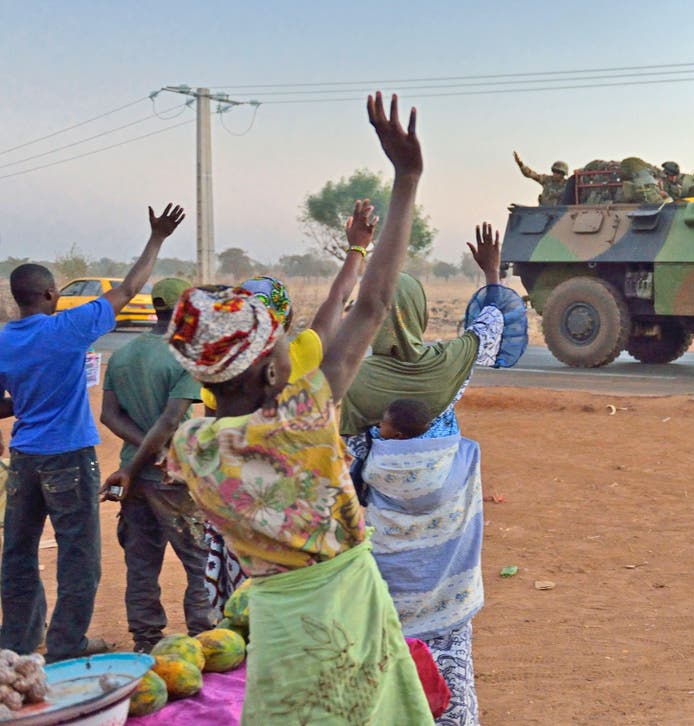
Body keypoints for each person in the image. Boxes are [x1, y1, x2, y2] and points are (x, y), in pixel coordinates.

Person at [165, 92, 434, 724]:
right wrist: (408, 178)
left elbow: (352, 311)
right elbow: (370, 307)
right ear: (265, 367)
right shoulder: (304, 417)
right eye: (279, 341)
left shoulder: (192, 447)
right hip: (348, 607)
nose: (294, 344)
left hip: (278, 618)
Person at [340, 223, 528, 725]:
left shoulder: (351, 384)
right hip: (448, 559)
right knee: (451, 662)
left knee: (377, 659)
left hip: (384, 559)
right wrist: (491, 270)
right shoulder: (448, 366)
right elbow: (491, 325)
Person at [0, 204, 185, 661]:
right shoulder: (68, 328)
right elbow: (129, 288)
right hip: (68, 457)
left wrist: (25, 402)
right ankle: (68, 644)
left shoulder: (4, 340)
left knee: (18, 552)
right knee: (78, 556)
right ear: (49, 293)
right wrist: (157, 239)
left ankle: (19, 641)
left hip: (24, 457)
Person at [196, 200, 379, 611]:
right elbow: (342, 298)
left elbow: (212, 439)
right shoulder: (302, 354)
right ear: (287, 321)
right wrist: (358, 248)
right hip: (295, 518)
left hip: (239, 515)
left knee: (242, 620)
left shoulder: (219, 375)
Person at [98, 277, 213, 653]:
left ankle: (146, 640)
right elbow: (168, 422)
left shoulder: (123, 355)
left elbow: (109, 415)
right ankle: (204, 635)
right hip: (171, 476)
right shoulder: (184, 355)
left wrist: (134, 459)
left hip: (133, 475)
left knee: (142, 562)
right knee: (199, 559)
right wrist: (156, 448)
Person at [361, 396, 485, 726]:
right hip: (447, 599)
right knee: (451, 675)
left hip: (392, 596)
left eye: (383, 425)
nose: (378, 429)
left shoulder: (373, 463)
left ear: (398, 435)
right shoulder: (461, 458)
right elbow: (463, 439)